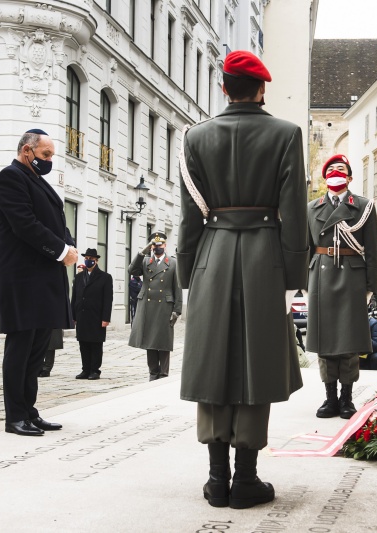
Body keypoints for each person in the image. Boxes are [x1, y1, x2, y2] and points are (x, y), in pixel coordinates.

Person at [177, 50, 308, 510]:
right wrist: (293, 274)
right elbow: (293, 210)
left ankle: (216, 480)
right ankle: (246, 478)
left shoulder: (196, 137)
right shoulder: (286, 134)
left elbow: (189, 216)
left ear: (223, 88)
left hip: (212, 253)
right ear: (261, 89)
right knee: (256, 361)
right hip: (263, 257)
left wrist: (188, 272)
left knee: (214, 359)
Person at [0, 128, 79, 437]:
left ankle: (29, 411)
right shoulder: (10, 177)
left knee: (37, 352)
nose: (49, 160)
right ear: (27, 151)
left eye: (51, 155)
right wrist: (60, 251)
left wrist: (70, 247)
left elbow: (56, 222)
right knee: (20, 350)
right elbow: (25, 224)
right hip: (24, 279)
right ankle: (14, 416)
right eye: (45, 155)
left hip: (44, 279)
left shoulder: (36, 180)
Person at [306, 154, 377, 420]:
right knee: (326, 343)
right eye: (330, 170)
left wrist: (371, 286)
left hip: (352, 277)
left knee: (348, 342)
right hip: (321, 278)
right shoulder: (311, 208)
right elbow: (305, 248)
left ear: (349, 177)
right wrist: (305, 285)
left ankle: (346, 397)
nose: (335, 172)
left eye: (341, 169)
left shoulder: (363, 206)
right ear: (325, 178)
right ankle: (329, 398)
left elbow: (372, 249)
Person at [128, 232, 182, 381]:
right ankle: (153, 372)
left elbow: (177, 287)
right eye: (154, 245)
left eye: (160, 245)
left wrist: (177, 310)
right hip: (147, 305)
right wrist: (140, 254)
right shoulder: (145, 261)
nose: (157, 247)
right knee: (150, 340)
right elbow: (132, 271)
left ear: (165, 245)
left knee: (163, 342)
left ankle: (163, 374)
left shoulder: (173, 263)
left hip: (165, 306)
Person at [72, 248, 113, 380]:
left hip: (96, 316)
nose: (88, 261)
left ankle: (95, 370)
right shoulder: (78, 277)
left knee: (95, 344)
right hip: (82, 315)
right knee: (83, 343)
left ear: (96, 261)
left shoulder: (105, 277)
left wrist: (106, 318)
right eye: (86, 258)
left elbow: (108, 299)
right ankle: (85, 369)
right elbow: (74, 297)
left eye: (91, 259)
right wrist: (73, 315)